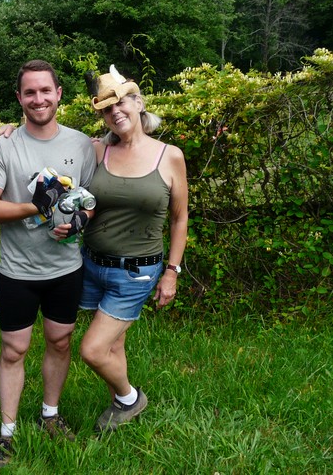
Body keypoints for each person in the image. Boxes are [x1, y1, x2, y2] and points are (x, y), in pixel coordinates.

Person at [0, 59, 96, 469]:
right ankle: (7, 435)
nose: (38, 99)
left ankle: (50, 415)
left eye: (46, 90)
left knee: (60, 342)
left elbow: (89, 200)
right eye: (30, 92)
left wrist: (78, 220)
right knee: (14, 349)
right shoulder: (3, 147)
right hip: (18, 272)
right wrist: (37, 207)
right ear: (19, 98)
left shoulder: (81, 144)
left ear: (59, 93)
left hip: (65, 267)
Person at [78, 65, 188, 432]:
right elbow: (49, 137)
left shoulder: (169, 156)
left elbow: (179, 219)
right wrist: (6, 131)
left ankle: (129, 398)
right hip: (92, 264)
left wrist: (171, 273)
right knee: (114, 345)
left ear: (138, 102)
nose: (115, 113)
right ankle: (119, 404)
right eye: (107, 109)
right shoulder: (98, 151)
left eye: (121, 102)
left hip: (136, 271)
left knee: (91, 350)